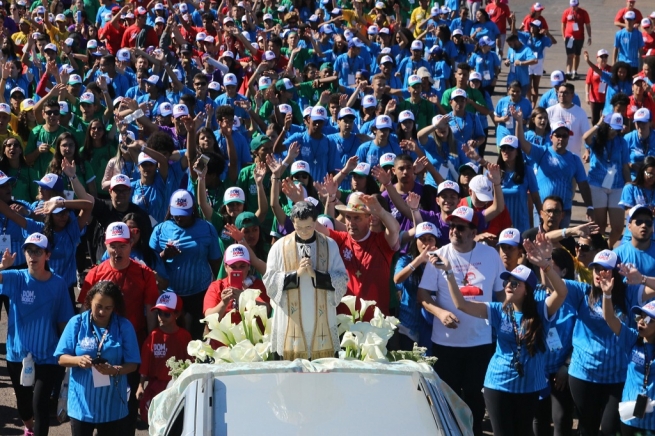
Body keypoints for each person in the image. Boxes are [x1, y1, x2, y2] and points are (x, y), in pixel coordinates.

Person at [438, 234, 568, 436]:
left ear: (528, 290)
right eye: (508, 281)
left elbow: (561, 293)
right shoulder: (498, 310)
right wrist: (448, 272)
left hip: (529, 386)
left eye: (516, 283)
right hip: (497, 384)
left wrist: (545, 265)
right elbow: (461, 305)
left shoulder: (542, 311)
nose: (509, 285)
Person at [418, 206, 506, 436]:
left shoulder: (490, 255)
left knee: (476, 399)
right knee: (448, 399)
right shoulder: (439, 256)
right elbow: (423, 295)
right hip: (446, 343)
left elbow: (502, 295)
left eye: (461, 227)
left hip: (479, 341)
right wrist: (440, 313)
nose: (455, 230)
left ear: (472, 231)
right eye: (452, 226)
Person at [0, 232, 74, 436]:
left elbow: (63, 321)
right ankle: (29, 427)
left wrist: (67, 353)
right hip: (17, 355)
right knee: (24, 405)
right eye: (29, 251)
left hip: (46, 355)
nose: (33, 255)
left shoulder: (58, 284)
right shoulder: (15, 277)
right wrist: (2, 267)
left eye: (38, 251)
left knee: (39, 403)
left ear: (47, 255)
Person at [263, 201, 348, 360]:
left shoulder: (329, 245)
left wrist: (316, 275)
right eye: (299, 227)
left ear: (315, 222)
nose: (303, 232)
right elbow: (270, 281)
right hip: (290, 319)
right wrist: (296, 274)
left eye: (308, 227)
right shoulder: (279, 247)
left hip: (321, 319)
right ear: (293, 222)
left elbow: (342, 279)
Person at [55, 281, 141, 436]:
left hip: (112, 404)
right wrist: (77, 360)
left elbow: (133, 364)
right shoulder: (76, 323)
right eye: (98, 306)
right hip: (81, 404)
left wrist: (114, 370)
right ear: (89, 302)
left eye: (108, 308)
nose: (102, 311)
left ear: (115, 307)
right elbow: (61, 358)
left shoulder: (124, 326)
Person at [149, 189, 221, 340]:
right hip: (170, 296)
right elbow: (150, 263)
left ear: (193, 209)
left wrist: (218, 290)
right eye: (176, 212)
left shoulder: (207, 228)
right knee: (172, 340)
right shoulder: (160, 230)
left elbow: (216, 262)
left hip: (200, 294)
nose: (179, 217)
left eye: (184, 213)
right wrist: (164, 254)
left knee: (197, 339)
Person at [136, 292, 191, 425]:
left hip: (176, 387)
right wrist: (141, 385)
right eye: (159, 313)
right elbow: (145, 362)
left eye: (166, 314)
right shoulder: (154, 335)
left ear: (177, 315)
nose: (161, 317)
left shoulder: (185, 336)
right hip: (156, 387)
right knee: (155, 422)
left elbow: (190, 362)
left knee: (174, 422)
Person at [582, 114, 631, 247]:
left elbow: (625, 166)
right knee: (600, 225)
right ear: (606, 126)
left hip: (617, 185)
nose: (615, 132)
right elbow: (585, 138)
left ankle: (606, 248)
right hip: (597, 184)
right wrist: (598, 124)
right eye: (612, 128)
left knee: (617, 227)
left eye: (617, 129)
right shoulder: (597, 139)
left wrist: (629, 186)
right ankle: (597, 249)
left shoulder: (622, 142)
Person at [561, 0, 592, 80]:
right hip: (569, 37)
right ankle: (568, 72)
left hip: (579, 37)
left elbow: (587, 25)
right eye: (572, 5)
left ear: (578, 4)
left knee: (577, 55)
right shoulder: (567, 12)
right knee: (570, 55)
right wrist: (563, 36)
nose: (573, 7)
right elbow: (563, 24)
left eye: (575, 5)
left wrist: (589, 36)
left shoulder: (583, 12)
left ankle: (575, 71)